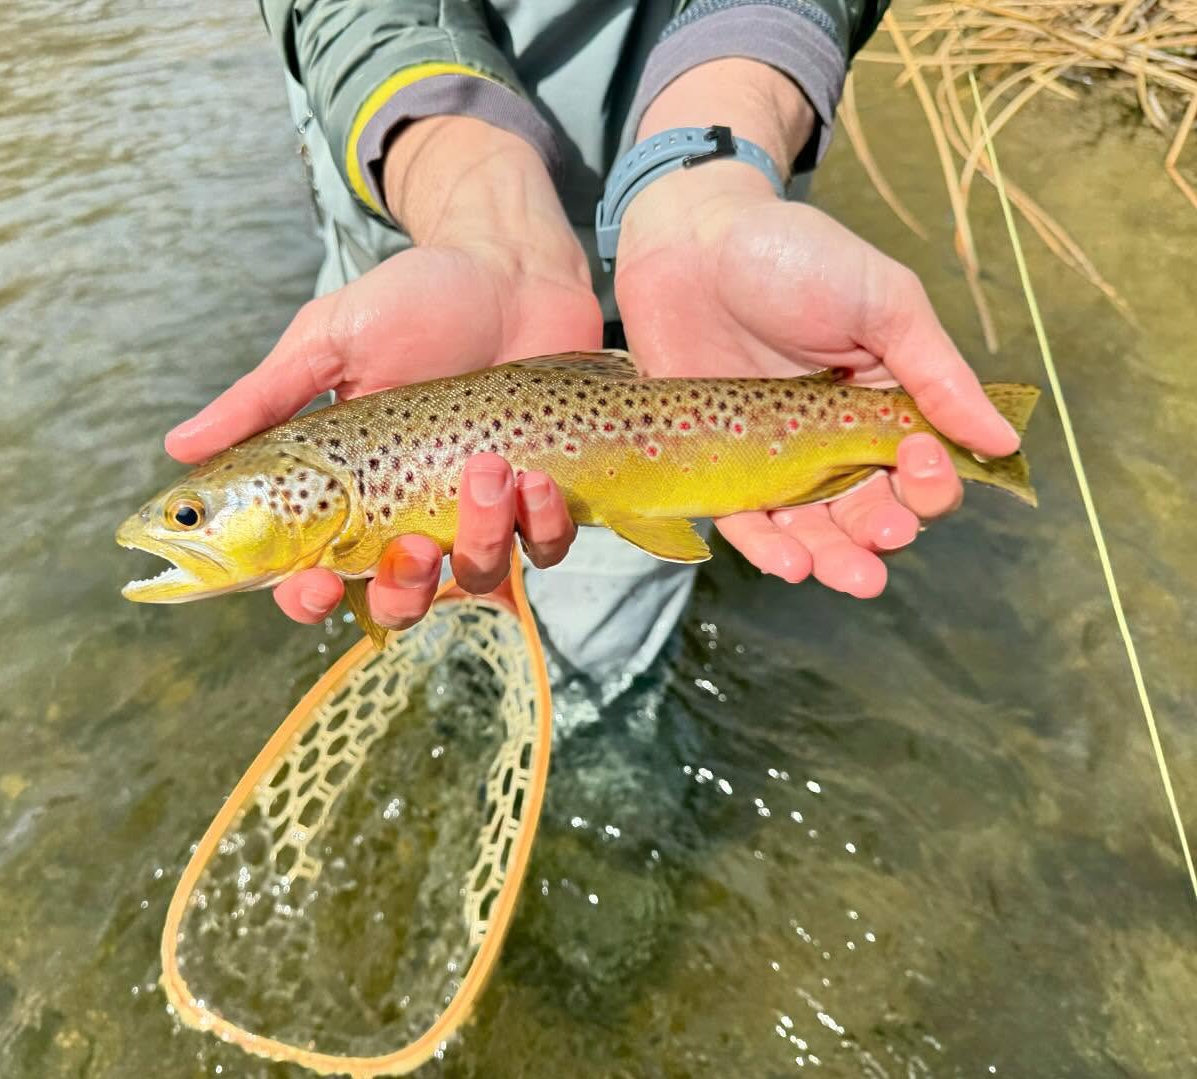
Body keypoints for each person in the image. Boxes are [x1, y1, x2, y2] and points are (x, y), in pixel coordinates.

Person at [164, 1, 1021, 687]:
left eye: (190, 516)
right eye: (189, 518)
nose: (185, 525)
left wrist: (711, 165)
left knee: (595, 650)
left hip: (704, 302)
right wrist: (468, 188)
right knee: (419, 602)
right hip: (422, 295)